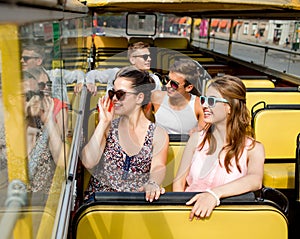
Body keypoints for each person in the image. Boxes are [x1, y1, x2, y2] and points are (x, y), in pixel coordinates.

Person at [173, 75, 265, 220]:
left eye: (211, 101)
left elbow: (255, 180)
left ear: (229, 107)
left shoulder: (253, 148)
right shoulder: (196, 139)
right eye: (203, 99)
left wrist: (214, 195)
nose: (204, 105)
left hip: (228, 219)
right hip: (190, 215)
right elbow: (179, 183)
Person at [81, 66, 169, 202]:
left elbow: (158, 166)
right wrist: (103, 123)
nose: (114, 99)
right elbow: (88, 161)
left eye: (120, 94)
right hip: (101, 203)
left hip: (135, 204)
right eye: (112, 94)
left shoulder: (158, 134)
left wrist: (152, 183)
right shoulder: (108, 127)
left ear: (139, 98)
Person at [76, 41, 162, 95]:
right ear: (132, 59)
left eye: (150, 56)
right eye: (145, 57)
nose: (149, 59)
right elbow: (93, 73)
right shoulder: (116, 73)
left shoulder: (154, 79)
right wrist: (90, 82)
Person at [151, 59, 207, 135]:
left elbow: (201, 138)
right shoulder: (156, 97)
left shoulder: (199, 106)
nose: (167, 85)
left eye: (174, 84)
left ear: (188, 87)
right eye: (167, 80)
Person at [21, 43, 85, 103]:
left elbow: (78, 74)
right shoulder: (24, 82)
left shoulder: (56, 74)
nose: (21, 61)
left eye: (26, 58)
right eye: (21, 58)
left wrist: (80, 83)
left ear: (39, 61)